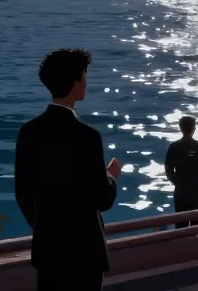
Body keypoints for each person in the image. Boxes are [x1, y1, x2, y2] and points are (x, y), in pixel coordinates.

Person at [15, 48, 121, 291]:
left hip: (48, 250)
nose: (86, 82)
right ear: (74, 82)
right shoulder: (87, 137)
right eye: (84, 76)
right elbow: (102, 198)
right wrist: (111, 177)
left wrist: (45, 227)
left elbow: (23, 194)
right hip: (85, 252)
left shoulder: (29, 132)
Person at [164, 116, 198, 229]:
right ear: (194, 128)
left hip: (181, 191)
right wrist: (196, 180)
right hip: (196, 191)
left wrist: (178, 182)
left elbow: (168, 170)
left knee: (180, 225)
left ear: (180, 128)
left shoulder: (174, 147)